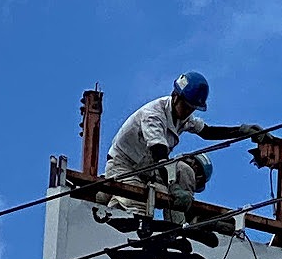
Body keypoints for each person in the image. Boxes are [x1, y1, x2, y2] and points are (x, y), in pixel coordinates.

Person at [98, 71, 265, 222]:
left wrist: (242, 131)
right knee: (137, 211)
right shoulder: (154, 116)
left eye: (192, 109)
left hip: (148, 170)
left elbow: (207, 132)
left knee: (184, 172)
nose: (188, 112)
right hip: (126, 167)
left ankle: (179, 226)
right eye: (186, 107)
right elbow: (159, 154)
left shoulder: (183, 116)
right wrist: (173, 187)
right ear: (175, 96)